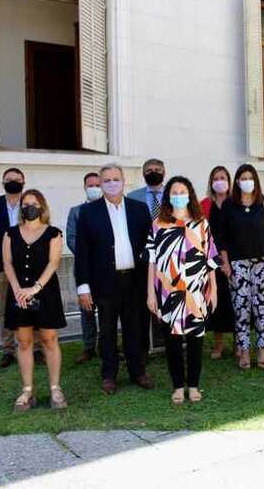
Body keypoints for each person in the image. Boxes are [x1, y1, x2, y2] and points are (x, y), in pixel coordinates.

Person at [74, 163, 154, 394]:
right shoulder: (88, 212)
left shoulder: (139, 209)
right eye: (106, 180)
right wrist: (83, 287)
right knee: (107, 331)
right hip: (105, 283)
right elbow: (83, 254)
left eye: (115, 179)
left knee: (135, 329)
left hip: (135, 280)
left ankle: (137, 372)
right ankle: (109, 375)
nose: (111, 184)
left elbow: (150, 246)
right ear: (100, 184)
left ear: (123, 180)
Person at [147, 176, 220, 404]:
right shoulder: (158, 224)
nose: (179, 195)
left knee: (196, 340)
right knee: (173, 342)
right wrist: (151, 293)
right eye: (174, 192)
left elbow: (211, 260)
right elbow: (151, 261)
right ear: (168, 196)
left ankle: (194, 386)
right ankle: (178, 386)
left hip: (196, 292)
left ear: (190, 195)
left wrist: (214, 290)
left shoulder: (201, 224)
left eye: (183, 191)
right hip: (169, 293)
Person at [215, 164, 264, 370]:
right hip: (238, 263)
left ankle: (262, 350)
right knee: (241, 308)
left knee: (261, 308)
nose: (247, 181)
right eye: (243, 177)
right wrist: (225, 263)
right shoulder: (229, 206)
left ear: (255, 180)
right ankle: (243, 351)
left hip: (262, 262)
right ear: (237, 181)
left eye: (250, 177)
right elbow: (221, 238)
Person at [2, 189, 67, 411]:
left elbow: (53, 263)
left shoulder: (54, 233)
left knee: (49, 340)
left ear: (42, 206)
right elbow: (7, 264)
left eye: (34, 203)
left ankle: (55, 388)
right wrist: (18, 289)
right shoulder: (10, 234)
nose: (30, 207)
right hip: (18, 294)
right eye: (26, 203)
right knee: (24, 341)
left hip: (45, 293)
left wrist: (35, 288)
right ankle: (27, 391)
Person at [0, 167, 41, 368]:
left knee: (33, 305)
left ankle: (37, 348)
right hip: (1, 265)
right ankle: (8, 350)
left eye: (17, 179)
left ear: (23, 182)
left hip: (30, 264)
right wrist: (5, 255)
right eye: (9, 179)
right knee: (5, 308)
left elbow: (40, 228)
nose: (13, 182)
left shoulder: (31, 203)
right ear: (3, 182)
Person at [127, 158, 167, 352]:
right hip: (143, 258)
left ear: (164, 172)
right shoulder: (132, 197)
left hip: (170, 257)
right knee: (144, 300)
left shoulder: (174, 194)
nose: (153, 172)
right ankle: (145, 343)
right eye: (149, 170)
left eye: (157, 169)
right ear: (143, 174)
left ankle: (170, 338)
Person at [200, 166, 237, 360]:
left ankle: (240, 344)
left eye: (223, 177)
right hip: (212, 260)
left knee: (237, 302)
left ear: (229, 181)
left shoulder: (236, 202)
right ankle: (218, 345)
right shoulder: (204, 204)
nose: (219, 181)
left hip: (236, 258)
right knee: (217, 303)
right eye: (216, 178)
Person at [66, 172, 102, 363]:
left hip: (105, 269)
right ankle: (89, 347)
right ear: (85, 187)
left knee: (106, 309)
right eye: (91, 185)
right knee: (86, 310)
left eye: (98, 184)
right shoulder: (76, 211)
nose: (94, 188)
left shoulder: (109, 209)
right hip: (85, 268)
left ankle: (107, 345)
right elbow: (71, 238)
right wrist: (88, 255)